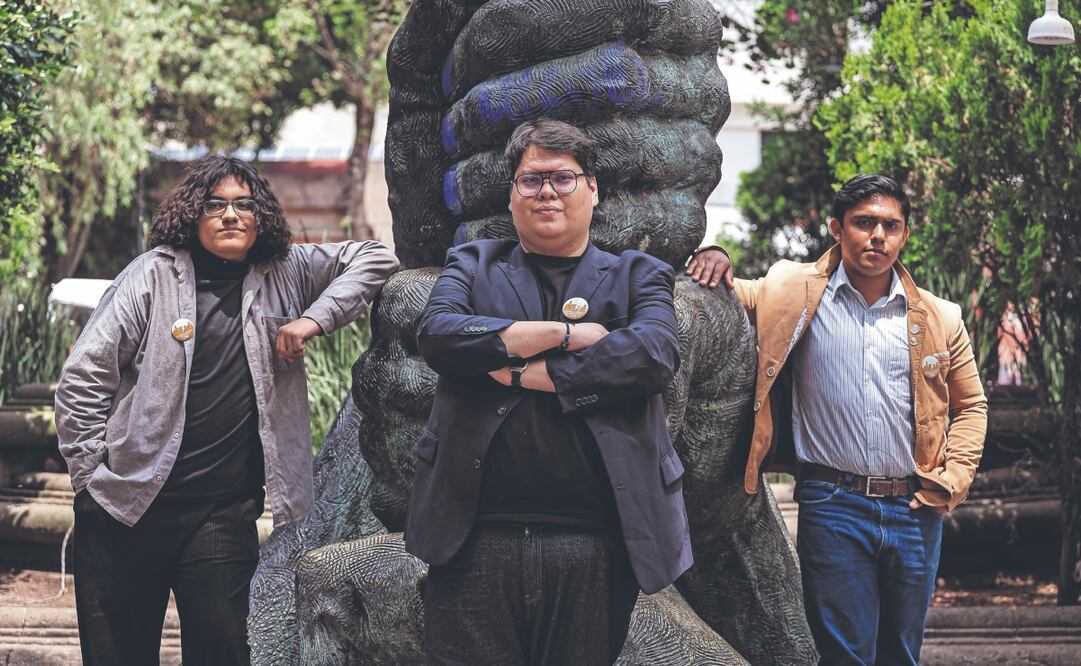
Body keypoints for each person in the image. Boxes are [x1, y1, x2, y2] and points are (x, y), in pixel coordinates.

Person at [55, 155, 399, 665]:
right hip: (126, 509)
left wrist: (312, 321)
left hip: (219, 516)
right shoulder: (152, 277)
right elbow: (85, 376)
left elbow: (374, 259)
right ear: (193, 215)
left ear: (261, 215)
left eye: (244, 204)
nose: (230, 215)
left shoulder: (287, 272)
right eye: (216, 205)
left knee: (223, 651)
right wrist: (91, 476)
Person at [407, 119, 690, 665]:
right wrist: (565, 336)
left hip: (596, 540)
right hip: (473, 536)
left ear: (593, 190)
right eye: (531, 180)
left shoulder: (639, 274)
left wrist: (523, 370)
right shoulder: (472, 262)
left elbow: (654, 354)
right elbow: (439, 336)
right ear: (513, 195)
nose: (546, 193)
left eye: (562, 178)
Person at [687, 174, 987, 665]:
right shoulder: (792, 292)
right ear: (836, 228)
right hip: (833, 503)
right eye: (863, 223)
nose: (877, 236)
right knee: (844, 654)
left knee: (901, 654)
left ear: (905, 234)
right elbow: (725, 294)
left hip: (916, 506)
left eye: (890, 225)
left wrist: (951, 479)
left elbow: (971, 406)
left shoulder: (940, 317)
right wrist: (715, 251)